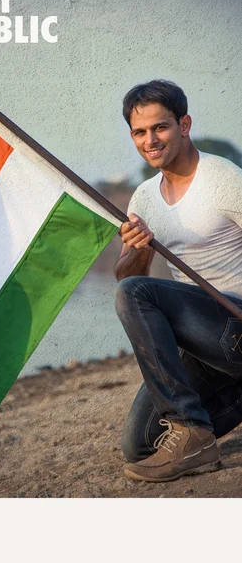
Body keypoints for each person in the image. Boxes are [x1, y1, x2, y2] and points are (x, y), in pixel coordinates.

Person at [114, 79, 242, 482]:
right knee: (140, 446)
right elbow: (128, 277)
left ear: (184, 125)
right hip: (204, 340)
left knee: (136, 293)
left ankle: (191, 431)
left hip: (235, 323)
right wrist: (137, 252)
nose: (150, 140)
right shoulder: (144, 197)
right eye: (139, 131)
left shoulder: (223, 177)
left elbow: (136, 292)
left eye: (160, 127)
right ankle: (195, 425)